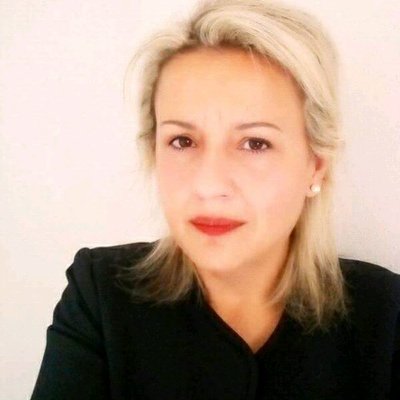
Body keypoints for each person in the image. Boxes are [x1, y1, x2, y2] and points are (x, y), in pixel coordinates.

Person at [30, 0, 400, 399]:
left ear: (315, 165)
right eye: (182, 141)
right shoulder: (101, 296)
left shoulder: (386, 315)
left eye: (255, 143)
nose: (208, 185)